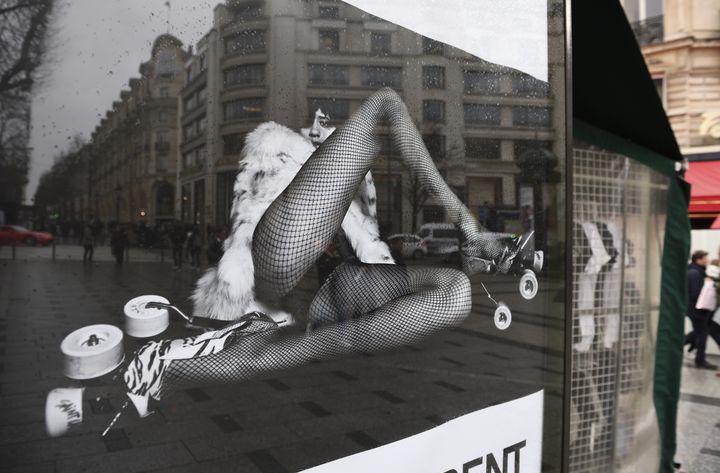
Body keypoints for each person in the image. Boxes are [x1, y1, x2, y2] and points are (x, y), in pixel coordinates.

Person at [123, 88, 542, 410]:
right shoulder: (288, 151)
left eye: (329, 122)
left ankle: (167, 363)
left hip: (334, 281)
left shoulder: (352, 189)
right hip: (274, 253)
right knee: (384, 103)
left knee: (456, 294)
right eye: (318, 122)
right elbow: (383, 109)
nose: (325, 124)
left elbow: (368, 243)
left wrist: (460, 260)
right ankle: (469, 231)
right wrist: (468, 225)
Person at [684, 250, 716, 369]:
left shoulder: (697, 272)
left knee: (699, 333)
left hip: (697, 310)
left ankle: (699, 358)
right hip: (698, 311)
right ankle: (700, 360)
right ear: (698, 260)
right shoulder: (695, 274)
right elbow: (696, 293)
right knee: (702, 335)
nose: (707, 260)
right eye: (705, 258)